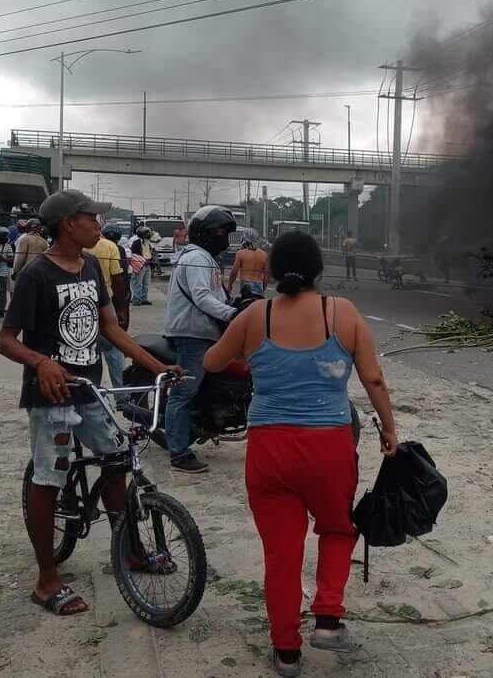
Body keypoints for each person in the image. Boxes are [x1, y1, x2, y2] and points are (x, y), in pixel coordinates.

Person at [203, 230, 398, 675]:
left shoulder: (257, 315)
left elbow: (212, 363)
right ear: (319, 270)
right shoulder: (341, 312)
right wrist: (389, 430)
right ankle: (328, 618)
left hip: (270, 450)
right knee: (337, 528)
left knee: (282, 554)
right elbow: (373, 379)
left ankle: (287, 650)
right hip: (328, 446)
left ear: (271, 272)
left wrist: (251, 359)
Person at [0, 189, 180, 617]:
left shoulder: (93, 264)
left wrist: (157, 366)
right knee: (50, 478)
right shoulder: (37, 275)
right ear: (68, 224)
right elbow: (6, 340)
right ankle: (46, 580)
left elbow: (111, 329)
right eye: (90, 217)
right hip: (51, 397)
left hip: (90, 391)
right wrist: (41, 362)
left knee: (118, 459)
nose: (98, 224)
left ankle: (129, 551)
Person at [163, 207, 239, 473]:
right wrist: (233, 313)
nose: (223, 238)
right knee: (184, 393)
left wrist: (237, 302)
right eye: (219, 232)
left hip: (202, 332)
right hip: (193, 335)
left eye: (226, 233)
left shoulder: (204, 257)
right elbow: (202, 297)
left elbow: (215, 295)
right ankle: (178, 453)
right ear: (203, 233)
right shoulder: (197, 257)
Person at [92, 223, 130, 388]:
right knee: (114, 350)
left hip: (79, 302)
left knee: (88, 353)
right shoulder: (110, 247)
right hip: (106, 304)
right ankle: (122, 395)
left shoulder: (76, 246)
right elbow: (118, 281)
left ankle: (91, 393)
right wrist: (122, 309)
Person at [229, 232, 269, 296]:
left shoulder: (240, 253)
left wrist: (230, 285)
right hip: (259, 284)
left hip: (246, 283)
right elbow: (267, 274)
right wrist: (263, 288)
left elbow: (234, 271)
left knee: (244, 304)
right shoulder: (264, 254)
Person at [129, 226, 154, 306]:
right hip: (140, 265)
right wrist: (142, 261)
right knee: (138, 283)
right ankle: (136, 299)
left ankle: (144, 298)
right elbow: (134, 255)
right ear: (142, 234)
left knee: (146, 283)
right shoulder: (136, 242)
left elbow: (151, 252)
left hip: (147, 265)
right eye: (147, 233)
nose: (149, 234)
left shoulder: (148, 243)